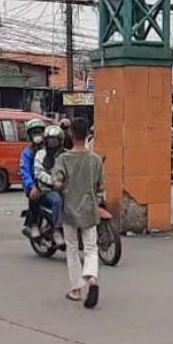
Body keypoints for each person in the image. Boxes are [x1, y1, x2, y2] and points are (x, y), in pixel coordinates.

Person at [53, 117, 105, 308]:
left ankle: (76, 289)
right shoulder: (96, 160)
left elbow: (56, 182)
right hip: (90, 209)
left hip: (69, 209)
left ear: (71, 134)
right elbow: (100, 186)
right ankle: (91, 279)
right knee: (91, 247)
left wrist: (63, 186)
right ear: (86, 135)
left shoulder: (63, 159)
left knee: (72, 248)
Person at [33, 125, 66, 242]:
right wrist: (53, 182)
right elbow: (38, 173)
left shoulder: (65, 155)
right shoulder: (41, 154)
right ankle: (57, 229)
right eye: (50, 140)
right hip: (46, 190)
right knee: (57, 200)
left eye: (55, 140)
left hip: (64, 188)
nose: (52, 143)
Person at [19, 118, 46, 239]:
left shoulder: (48, 150)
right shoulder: (27, 152)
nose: (37, 136)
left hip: (48, 182)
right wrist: (31, 185)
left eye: (39, 132)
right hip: (32, 184)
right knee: (35, 197)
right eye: (34, 133)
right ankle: (33, 223)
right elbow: (24, 171)